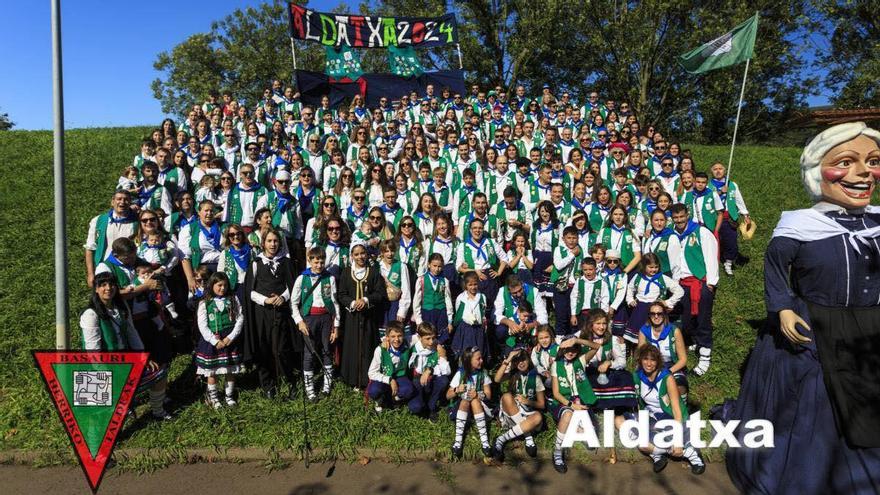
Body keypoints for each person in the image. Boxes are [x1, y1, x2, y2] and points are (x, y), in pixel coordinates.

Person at [727, 122, 880, 493]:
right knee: (812, 401)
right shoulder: (800, 223)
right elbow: (776, 267)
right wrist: (781, 308)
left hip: (870, 326)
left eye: (873, 161)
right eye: (846, 161)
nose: (863, 172)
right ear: (817, 172)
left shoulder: (877, 222)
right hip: (816, 323)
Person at [242, 228, 301, 400]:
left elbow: (294, 286)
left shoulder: (287, 263)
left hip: (281, 313)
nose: (273, 244)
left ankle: (290, 382)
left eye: (275, 241)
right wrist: (265, 300)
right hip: (262, 314)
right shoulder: (255, 264)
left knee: (282, 349)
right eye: (269, 241)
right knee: (264, 348)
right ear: (263, 243)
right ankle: (268, 385)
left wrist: (283, 297)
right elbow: (249, 292)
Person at [631, 344, 705, 474]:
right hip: (652, 417)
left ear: (658, 361)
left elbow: (677, 410)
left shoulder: (667, 378)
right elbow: (639, 403)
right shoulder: (637, 376)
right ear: (640, 360)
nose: (649, 363)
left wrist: (677, 441)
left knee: (671, 441)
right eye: (645, 359)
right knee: (640, 442)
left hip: (672, 416)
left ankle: (691, 454)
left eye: (653, 360)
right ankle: (660, 454)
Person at [667, 203, 719, 376]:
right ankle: (696, 340)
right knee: (687, 319)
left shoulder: (701, 232)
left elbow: (711, 255)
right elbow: (674, 262)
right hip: (682, 283)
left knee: (703, 318)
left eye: (682, 216)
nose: (679, 220)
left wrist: (711, 282)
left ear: (687, 215)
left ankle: (705, 355)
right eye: (676, 218)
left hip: (700, 281)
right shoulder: (673, 236)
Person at [291, 247, 340, 401]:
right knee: (309, 353)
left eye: (321, 261)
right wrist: (299, 322)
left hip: (326, 318)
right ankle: (310, 389)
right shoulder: (302, 278)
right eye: (316, 261)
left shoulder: (329, 278)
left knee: (327, 350)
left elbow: (335, 303)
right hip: (309, 319)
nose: (319, 265)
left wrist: (336, 327)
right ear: (310, 261)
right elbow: (293, 303)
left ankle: (327, 386)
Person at [549, 335, 601, 473]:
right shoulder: (556, 364)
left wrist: (577, 340)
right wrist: (572, 405)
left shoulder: (581, 360)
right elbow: (556, 393)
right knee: (567, 415)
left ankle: (574, 428)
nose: (570, 352)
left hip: (581, 399)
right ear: (562, 349)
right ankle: (557, 453)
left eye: (574, 349)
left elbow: (597, 347)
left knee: (592, 441)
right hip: (564, 401)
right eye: (567, 349)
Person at [338, 244, 386, 389]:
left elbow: (380, 294)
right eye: (357, 254)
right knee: (351, 347)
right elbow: (341, 294)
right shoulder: (346, 273)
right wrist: (353, 302)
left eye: (363, 253)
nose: (360, 257)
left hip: (368, 317)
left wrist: (365, 300)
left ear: (367, 254)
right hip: (352, 318)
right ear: (352, 256)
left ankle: (367, 380)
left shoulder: (373, 273)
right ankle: (352, 380)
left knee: (367, 347)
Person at [195, 272, 244, 409]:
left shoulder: (233, 299)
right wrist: (214, 341)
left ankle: (229, 396)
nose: (222, 288)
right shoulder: (205, 302)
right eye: (219, 285)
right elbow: (202, 325)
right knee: (213, 371)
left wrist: (231, 337)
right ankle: (214, 398)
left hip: (229, 338)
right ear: (212, 285)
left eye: (225, 285)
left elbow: (240, 318)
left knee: (230, 370)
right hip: (212, 340)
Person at [493, 348, 545, 461]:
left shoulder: (535, 377)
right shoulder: (513, 374)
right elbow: (497, 379)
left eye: (523, 359)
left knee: (538, 416)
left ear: (528, 359)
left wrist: (528, 402)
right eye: (517, 361)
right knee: (506, 396)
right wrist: (509, 358)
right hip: (513, 411)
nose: (521, 363)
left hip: (528, 413)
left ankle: (501, 439)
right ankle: (528, 436)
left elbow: (542, 405)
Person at [446, 346, 494, 458]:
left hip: (480, 409)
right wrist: (457, 390)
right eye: (478, 359)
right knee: (466, 399)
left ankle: (485, 442)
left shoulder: (483, 373)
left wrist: (478, 394)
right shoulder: (460, 373)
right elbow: (448, 395)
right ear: (469, 360)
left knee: (475, 400)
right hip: (463, 410)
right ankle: (458, 442)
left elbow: (489, 395)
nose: (481, 360)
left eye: (481, 358)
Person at [625, 253, 683, 344]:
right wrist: (630, 299)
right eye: (651, 267)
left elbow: (679, 291)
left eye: (656, 267)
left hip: (655, 311)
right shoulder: (638, 277)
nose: (654, 270)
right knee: (636, 337)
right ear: (644, 266)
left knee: (654, 334)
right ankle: (636, 355)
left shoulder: (662, 278)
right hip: (639, 310)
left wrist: (668, 302)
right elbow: (629, 288)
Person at [84, 191, 138, 287]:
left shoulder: (137, 222)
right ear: (112, 202)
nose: (122, 202)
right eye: (119, 199)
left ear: (130, 202)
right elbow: (90, 248)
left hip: (128, 270)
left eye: (126, 199)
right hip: (104, 268)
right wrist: (90, 274)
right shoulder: (98, 220)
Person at [707, 161, 751, 275]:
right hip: (714, 218)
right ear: (711, 171)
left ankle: (728, 263)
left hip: (729, 218)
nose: (718, 171)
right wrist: (721, 192)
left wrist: (745, 214)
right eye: (715, 169)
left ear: (725, 170)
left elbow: (738, 200)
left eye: (720, 168)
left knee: (731, 242)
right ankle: (713, 263)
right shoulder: (708, 186)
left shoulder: (732, 185)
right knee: (714, 241)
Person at [637, 302, 688, 398]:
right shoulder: (644, 331)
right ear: (649, 315)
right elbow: (641, 356)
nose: (656, 316)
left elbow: (683, 360)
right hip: (650, 365)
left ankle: (681, 410)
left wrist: (667, 372)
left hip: (671, 365)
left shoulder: (674, 331)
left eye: (659, 313)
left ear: (664, 314)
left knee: (680, 386)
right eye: (653, 314)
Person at [367, 321, 416, 412]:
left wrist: (438, 345)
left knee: (409, 390)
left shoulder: (407, 342)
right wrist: (389, 380)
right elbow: (371, 373)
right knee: (374, 391)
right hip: (384, 376)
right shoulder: (380, 349)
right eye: (393, 336)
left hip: (400, 375)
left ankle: (395, 399)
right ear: (387, 337)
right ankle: (380, 399)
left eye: (399, 336)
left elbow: (421, 336)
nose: (396, 339)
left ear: (404, 335)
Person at [412, 253, 454, 347]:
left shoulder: (444, 280)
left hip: (441, 314)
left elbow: (448, 300)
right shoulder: (421, 280)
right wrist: (419, 321)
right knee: (428, 339)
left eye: (439, 266)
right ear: (429, 265)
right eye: (434, 266)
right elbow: (416, 302)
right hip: (427, 313)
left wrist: (450, 320)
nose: (437, 269)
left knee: (441, 341)